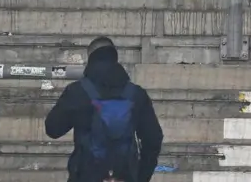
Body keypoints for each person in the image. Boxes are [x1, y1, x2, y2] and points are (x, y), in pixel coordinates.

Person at [44, 38, 164, 182]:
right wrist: (141, 177)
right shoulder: (136, 94)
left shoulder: (77, 92)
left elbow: (53, 129)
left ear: (90, 59)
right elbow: (153, 139)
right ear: (115, 58)